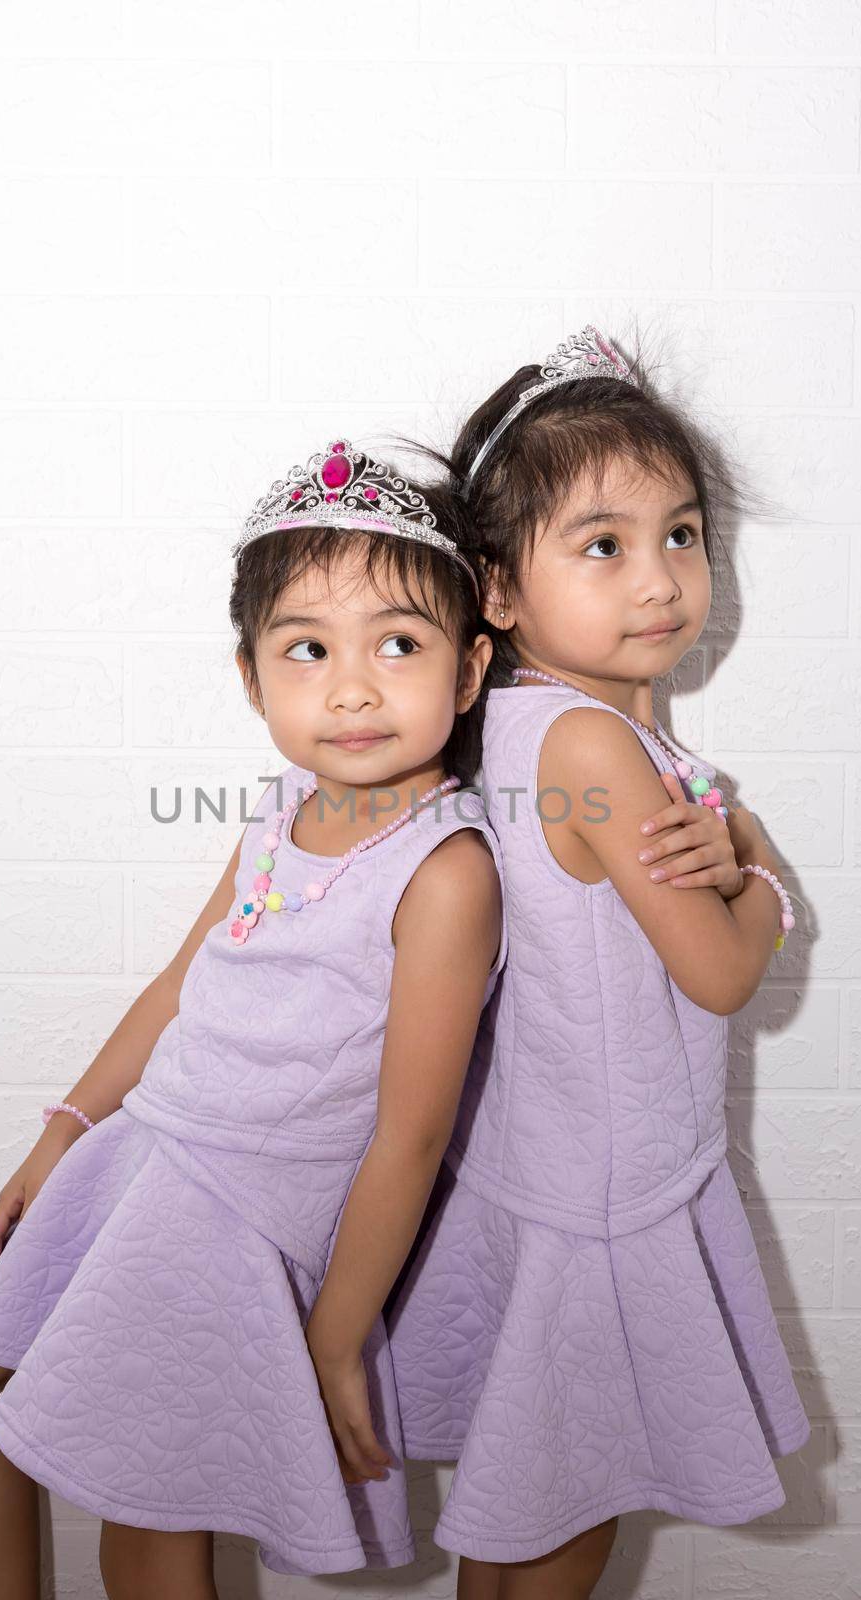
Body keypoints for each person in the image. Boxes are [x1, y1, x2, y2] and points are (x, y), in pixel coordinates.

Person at [0, 439, 507, 1600]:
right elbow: (180, 986)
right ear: (251, 678)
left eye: (400, 644)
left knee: (146, 1529)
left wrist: (338, 1334)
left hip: (239, 1213)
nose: (352, 686)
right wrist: (67, 1126)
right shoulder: (281, 811)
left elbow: (412, 1136)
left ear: (469, 670)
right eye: (307, 649)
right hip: (150, 1158)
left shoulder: (444, 870)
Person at [386, 327, 810, 1600]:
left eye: (682, 534)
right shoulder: (594, 749)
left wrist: (729, 843)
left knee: (531, 1512)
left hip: (551, 1166)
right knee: (563, 1523)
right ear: (499, 592)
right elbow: (724, 973)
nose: (661, 579)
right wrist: (765, 871)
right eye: (604, 544)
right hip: (609, 1198)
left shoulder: (523, 724)